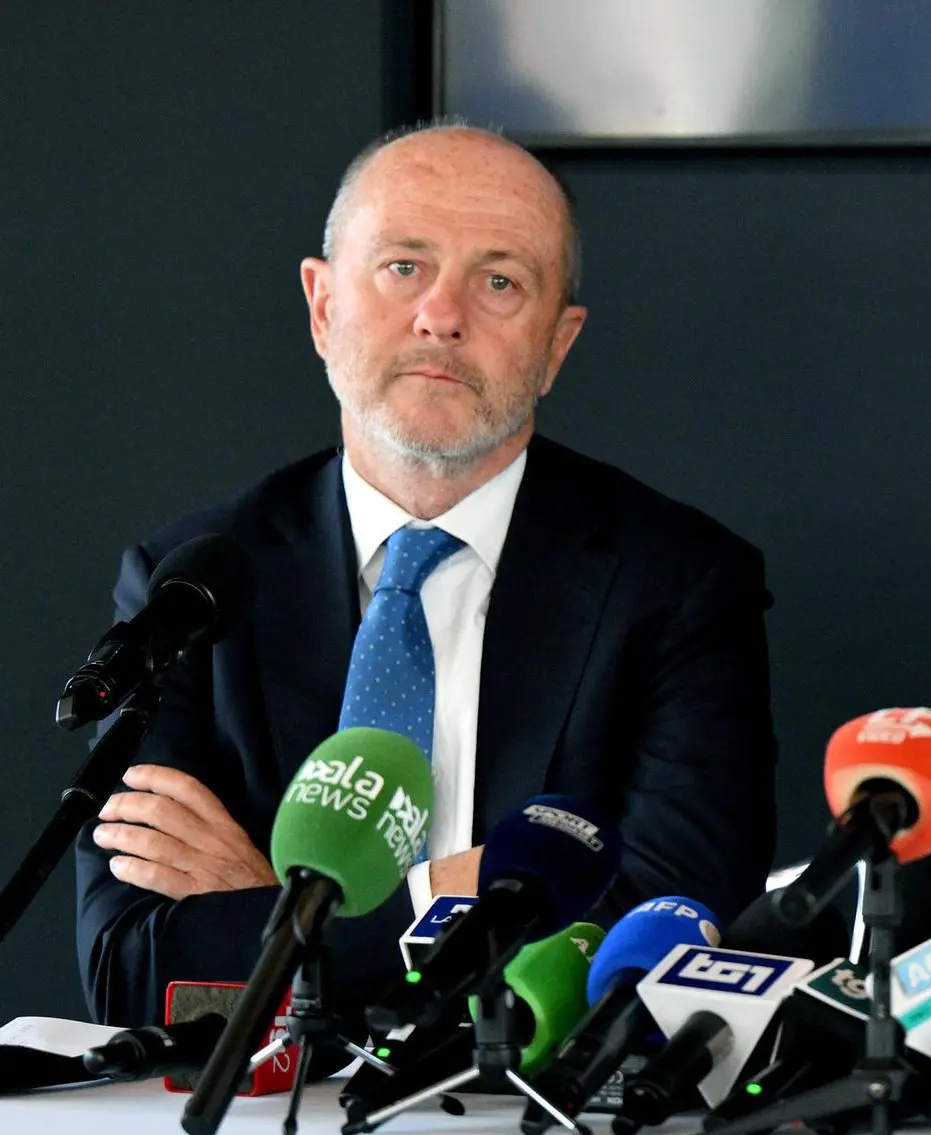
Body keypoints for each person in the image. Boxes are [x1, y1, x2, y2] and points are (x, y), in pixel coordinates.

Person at [74, 123, 776, 1025]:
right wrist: (458, 891)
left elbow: (656, 947)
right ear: (322, 306)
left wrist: (291, 923)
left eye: (499, 281)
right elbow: (130, 966)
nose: (442, 315)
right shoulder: (193, 586)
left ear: (557, 345)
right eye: (404, 266)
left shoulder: (678, 583)